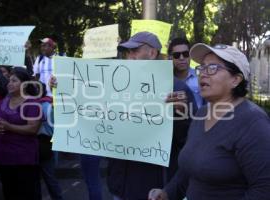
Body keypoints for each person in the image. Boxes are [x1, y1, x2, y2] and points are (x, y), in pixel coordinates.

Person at [148, 43, 270, 200]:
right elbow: (189, 168)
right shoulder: (202, 113)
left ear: (236, 80)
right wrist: (167, 193)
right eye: (202, 68)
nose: (203, 74)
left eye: (213, 68)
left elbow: (264, 189)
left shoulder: (253, 122)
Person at [106, 31, 197, 200]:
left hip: (154, 188)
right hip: (120, 184)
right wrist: (65, 86)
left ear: (152, 53)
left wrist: (180, 115)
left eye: (134, 51)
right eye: (127, 52)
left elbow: (190, 140)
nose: (129, 56)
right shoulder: (117, 86)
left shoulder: (177, 90)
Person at [0, 67, 42, 200]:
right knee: (9, 194)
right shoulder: (2, 102)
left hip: (23, 160)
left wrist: (9, 127)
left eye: (14, 81)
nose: (9, 83)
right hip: (3, 158)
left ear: (24, 84)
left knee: (26, 194)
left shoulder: (32, 103)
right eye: (9, 81)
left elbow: (32, 129)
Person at [37, 82, 64, 200]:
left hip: (45, 143)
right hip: (49, 143)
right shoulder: (50, 104)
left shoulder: (43, 105)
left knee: (46, 177)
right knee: (50, 177)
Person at [168, 38, 205, 108]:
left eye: (185, 54)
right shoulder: (165, 80)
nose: (181, 58)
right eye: (176, 55)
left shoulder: (201, 77)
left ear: (190, 55)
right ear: (170, 57)